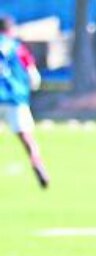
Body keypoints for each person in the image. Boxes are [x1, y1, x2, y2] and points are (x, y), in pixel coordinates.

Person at [0, 15, 49, 189]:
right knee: (26, 136)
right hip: (15, 97)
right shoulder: (17, 47)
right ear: (10, 29)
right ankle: (38, 165)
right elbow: (33, 76)